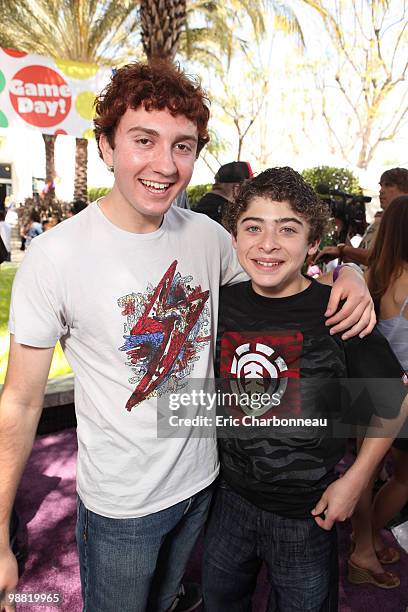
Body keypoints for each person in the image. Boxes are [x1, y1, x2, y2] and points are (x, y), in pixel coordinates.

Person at [0, 62, 374, 612]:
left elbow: (279, 281)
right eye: (143, 141)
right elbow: (22, 400)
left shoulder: (208, 236)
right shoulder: (54, 257)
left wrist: (352, 274)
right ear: (105, 145)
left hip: (208, 485)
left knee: (174, 601)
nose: (165, 164)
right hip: (121, 507)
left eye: (183, 146)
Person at [202, 167, 407, 611]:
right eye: (252, 227)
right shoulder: (220, 304)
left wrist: (355, 480)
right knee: (219, 598)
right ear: (234, 238)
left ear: (313, 244)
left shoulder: (337, 311)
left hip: (307, 512)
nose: (268, 243)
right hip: (228, 500)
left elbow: (394, 399)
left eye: (288, 229)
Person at [349, 195, 408, 589]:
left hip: (365, 386)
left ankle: (363, 546)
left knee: (363, 474)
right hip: (399, 396)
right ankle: (364, 547)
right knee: (404, 479)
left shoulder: (375, 275)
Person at [316, 167, 408, 268]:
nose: (381, 191)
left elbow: (381, 259)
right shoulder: (378, 222)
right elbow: (357, 262)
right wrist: (341, 225)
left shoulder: (402, 221)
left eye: (388, 185)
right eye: (381, 185)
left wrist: (343, 249)